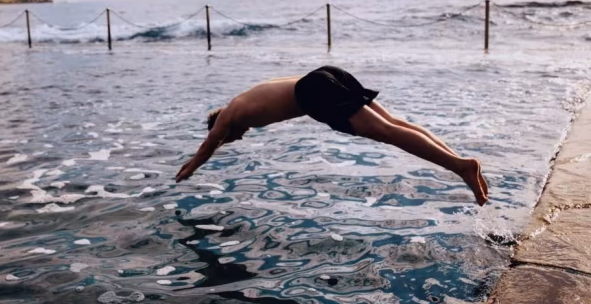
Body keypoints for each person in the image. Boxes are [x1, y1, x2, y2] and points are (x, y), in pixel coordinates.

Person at [175, 65, 488, 206]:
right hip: (326, 74)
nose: (236, 138)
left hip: (313, 90)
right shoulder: (245, 98)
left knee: (385, 132)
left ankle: (459, 165)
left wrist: (190, 168)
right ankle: (459, 162)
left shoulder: (230, 115)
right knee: (393, 123)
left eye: (232, 137)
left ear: (223, 127)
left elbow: (208, 144)